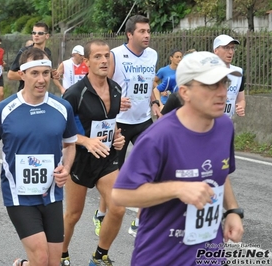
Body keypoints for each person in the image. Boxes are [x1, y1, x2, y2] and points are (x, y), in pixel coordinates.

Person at [112, 51, 244, 265]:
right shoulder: (158, 137)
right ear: (185, 92)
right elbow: (121, 194)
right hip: (162, 257)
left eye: (224, 83)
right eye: (211, 85)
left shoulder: (224, 126)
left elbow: (221, 172)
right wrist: (178, 189)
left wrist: (233, 211)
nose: (222, 92)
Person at [0, 47, 77, 266]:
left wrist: (67, 168)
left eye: (45, 73)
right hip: (18, 194)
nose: (41, 79)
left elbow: (70, 145)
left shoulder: (62, 107)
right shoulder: (3, 110)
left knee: (53, 262)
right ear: (22, 75)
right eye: (35, 73)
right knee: (41, 257)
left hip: (51, 193)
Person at [93, 14, 160, 239]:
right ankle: (101, 213)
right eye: (142, 31)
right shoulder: (115, 55)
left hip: (143, 121)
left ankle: (140, 221)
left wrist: (154, 101)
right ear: (130, 34)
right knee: (112, 174)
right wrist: (113, 101)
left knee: (151, 168)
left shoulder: (152, 55)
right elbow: (102, 85)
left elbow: (149, 82)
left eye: (148, 31)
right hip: (119, 123)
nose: (147, 35)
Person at [61, 39, 125, 266]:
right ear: (86, 62)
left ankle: (99, 257)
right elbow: (60, 129)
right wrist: (85, 141)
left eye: (107, 55)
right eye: (97, 56)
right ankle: (62, 253)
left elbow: (111, 122)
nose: (104, 60)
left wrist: (117, 138)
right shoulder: (74, 93)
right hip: (78, 159)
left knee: (117, 207)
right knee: (73, 215)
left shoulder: (116, 89)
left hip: (106, 159)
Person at [8, 22, 55, 92]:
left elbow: (48, 71)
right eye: (34, 33)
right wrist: (31, 76)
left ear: (47, 36)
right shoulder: (24, 52)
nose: (36, 35)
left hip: (42, 93)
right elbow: (11, 75)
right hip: (26, 94)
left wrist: (53, 74)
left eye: (40, 33)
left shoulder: (48, 52)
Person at [213, 34, 245, 118]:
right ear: (216, 50)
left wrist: (241, 107)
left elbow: (241, 99)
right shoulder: (206, 72)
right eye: (226, 48)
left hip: (227, 123)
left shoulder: (238, 73)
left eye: (232, 48)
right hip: (208, 124)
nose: (230, 52)